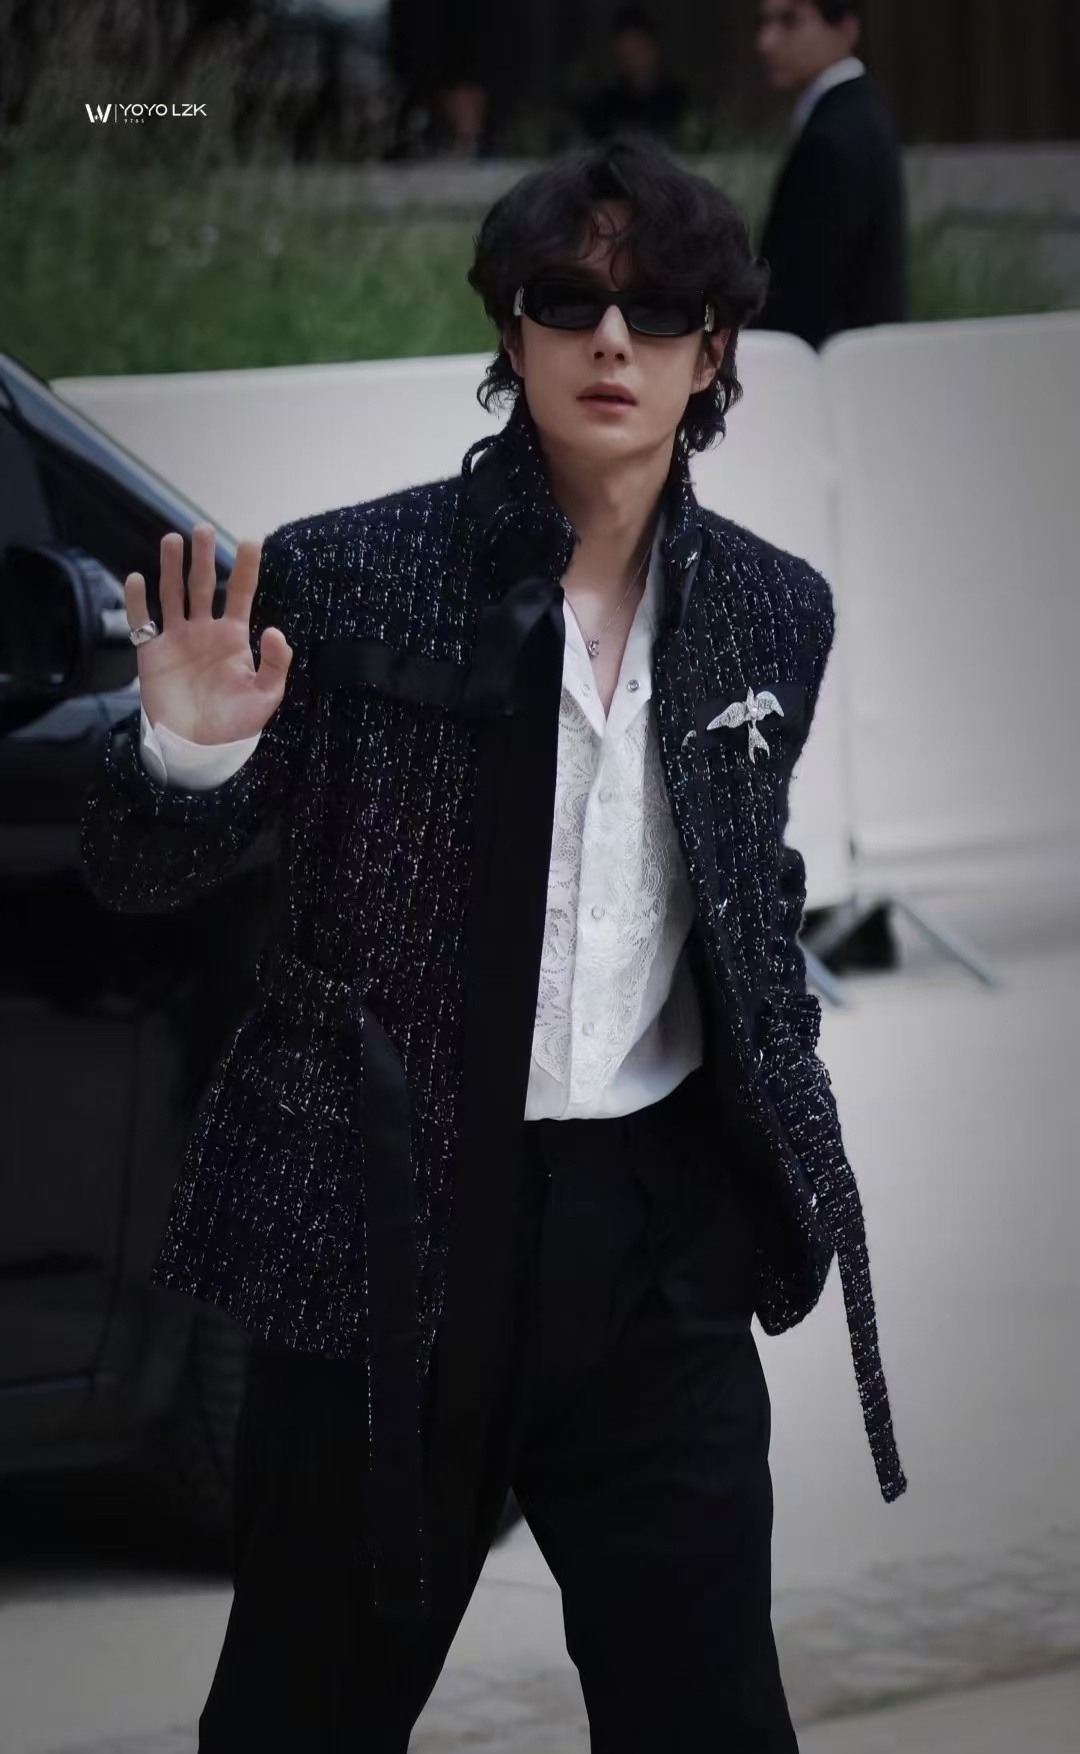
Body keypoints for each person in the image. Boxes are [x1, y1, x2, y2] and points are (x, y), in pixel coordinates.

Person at [80, 133, 906, 1751]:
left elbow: (749, 888)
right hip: (389, 1239)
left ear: (712, 353)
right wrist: (184, 751)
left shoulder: (772, 609)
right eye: (570, 301)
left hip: (657, 1248)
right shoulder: (347, 578)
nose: (613, 339)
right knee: (303, 1713)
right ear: (511, 332)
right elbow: (135, 871)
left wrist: (778, 1140)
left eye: (657, 310)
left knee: (712, 1717)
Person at [750, 0, 908, 350]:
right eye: (763, 23)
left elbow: (804, 291)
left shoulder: (836, 133)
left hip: (830, 364)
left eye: (790, 21)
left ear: (845, 29)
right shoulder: (857, 110)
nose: (766, 41)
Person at [577, 6, 688, 145]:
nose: (633, 61)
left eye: (638, 50)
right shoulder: (606, 105)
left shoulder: (678, 100)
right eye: (625, 55)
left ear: (655, 49)